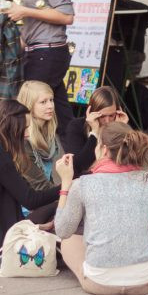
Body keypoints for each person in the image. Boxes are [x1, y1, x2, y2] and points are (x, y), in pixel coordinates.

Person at [54, 122, 148, 295]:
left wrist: (66, 184)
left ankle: (87, 273)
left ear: (104, 149)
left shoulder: (83, 184)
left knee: (69, 241)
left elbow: (62, 230)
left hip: (100, 283)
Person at [6, 0, 74, 148]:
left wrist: (25, 11)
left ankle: (32, 175)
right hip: (40, 51)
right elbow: (34, 23)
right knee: (62, 116)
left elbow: (67, 15)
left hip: (48, 52)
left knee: (26, 113)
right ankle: (81, 163)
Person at [0, 99, 59, 245]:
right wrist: (66, 187)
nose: (27, 134)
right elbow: (30, 199)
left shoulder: (5, 153)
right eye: (24, 129)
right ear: (12, 129)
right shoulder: (3, 158)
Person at [65, 86, 129, 177]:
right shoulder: (76, 126)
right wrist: (94, 133)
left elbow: (129, 161)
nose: (107, 121)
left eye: (111, 115)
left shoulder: (119, 124)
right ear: (91, 112)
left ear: (118, 112)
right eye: (102, 116)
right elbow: (77, 166)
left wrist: (121, 130)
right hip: (85, 181)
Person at [17, 81, 59, 191]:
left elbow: (47, 179)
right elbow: (41, 187)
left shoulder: (48, 133)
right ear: (29, 105)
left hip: (43, 196)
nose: (50, 106)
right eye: (43, 102)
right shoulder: (24, 141)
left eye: (51, 100)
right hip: (26, 205)